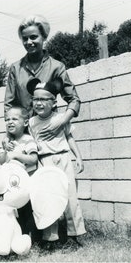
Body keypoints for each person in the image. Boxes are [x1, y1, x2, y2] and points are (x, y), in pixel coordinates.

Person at [26, 77, 86, 248]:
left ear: (53, 102)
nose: (39, 103)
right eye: (36, 99)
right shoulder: (31, 122)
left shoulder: (60, 118)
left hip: (63, 158)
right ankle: (50, 238)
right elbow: (31, 143)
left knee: (70, 197)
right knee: (48, 198)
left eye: (43, 99)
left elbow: (69, 137)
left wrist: (78, 157)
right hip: (44, 162)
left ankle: (74, 236)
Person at [4, 14, 81, 141]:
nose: (29, 42)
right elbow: (9, 105)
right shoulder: (15, 69)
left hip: (50, 134)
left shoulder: (57, 67)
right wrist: (9, 134)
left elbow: (74, 100)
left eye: (33, 37)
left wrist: (61, 122)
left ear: (44, 36)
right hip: (23, 137)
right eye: (25, 38)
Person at [0, 106, 40, 241]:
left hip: (27, 183)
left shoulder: (27, 140)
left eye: (15, 119)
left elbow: (33, 159)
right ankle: (19, 238)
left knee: (29, 211)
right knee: (17, 212)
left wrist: (16, 155)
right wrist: (5, 151)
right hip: (13, 184)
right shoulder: (8, 142)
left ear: (25, 123)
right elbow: (2, 161)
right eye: (7, 119)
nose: (10, 122)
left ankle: (35, 240)